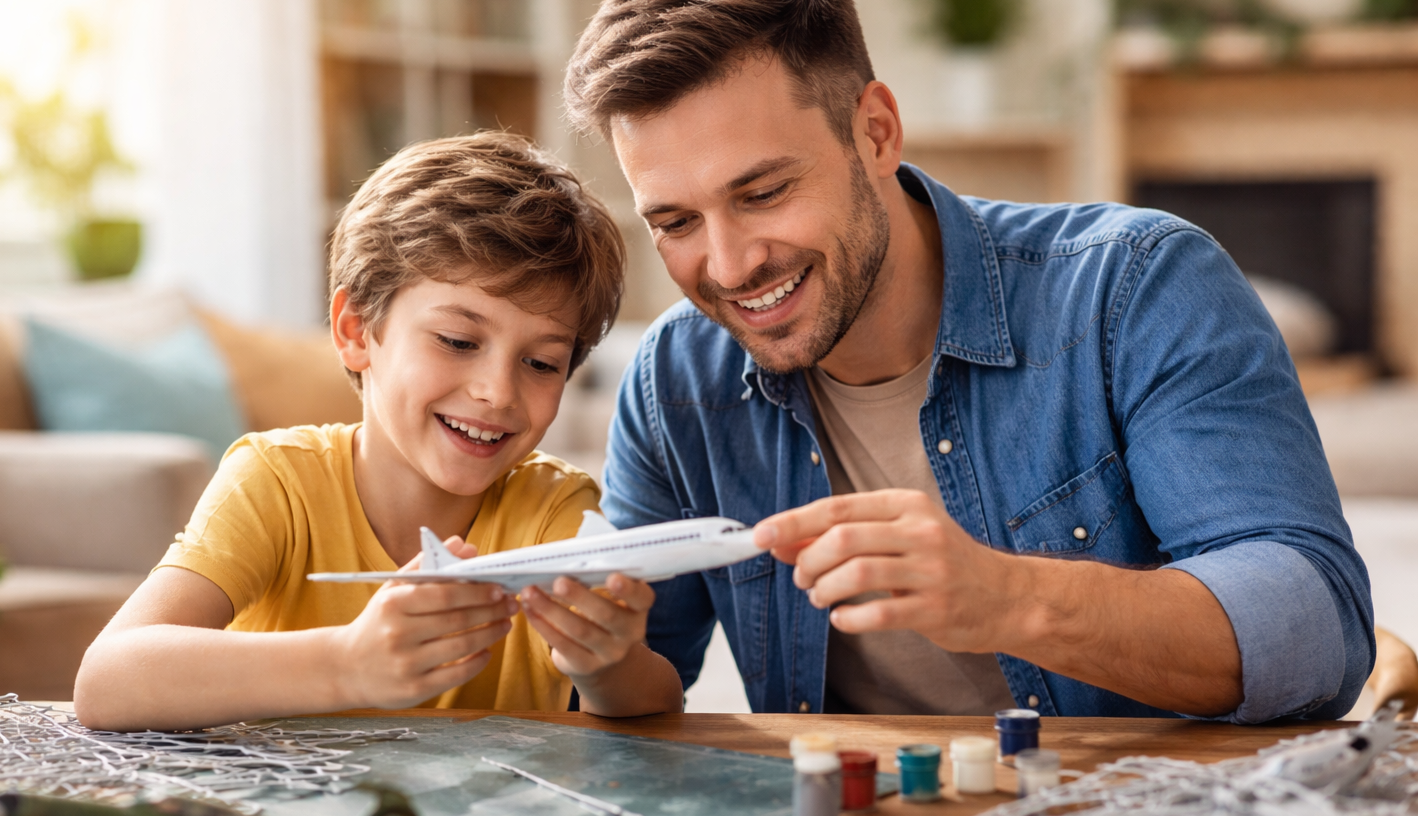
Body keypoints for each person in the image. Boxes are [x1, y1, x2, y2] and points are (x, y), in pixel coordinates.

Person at [564, 0, 1372, 722]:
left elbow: (1320, 629)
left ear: (875, 132)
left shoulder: (1134, 285)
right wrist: (586, 652)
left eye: (764, 193)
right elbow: (644, 671)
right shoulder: (675, 381)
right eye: (674, 222)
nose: (730, 265)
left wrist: (1011, 598)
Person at [75, 133, 685, 731]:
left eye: (541, 363)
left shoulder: (554, 509)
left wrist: (603, 665)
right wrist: (345, 665)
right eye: (457, 341)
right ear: (356, 330)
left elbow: (656, 704)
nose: (498, 392)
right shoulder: (277, 484)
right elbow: (107, 681)